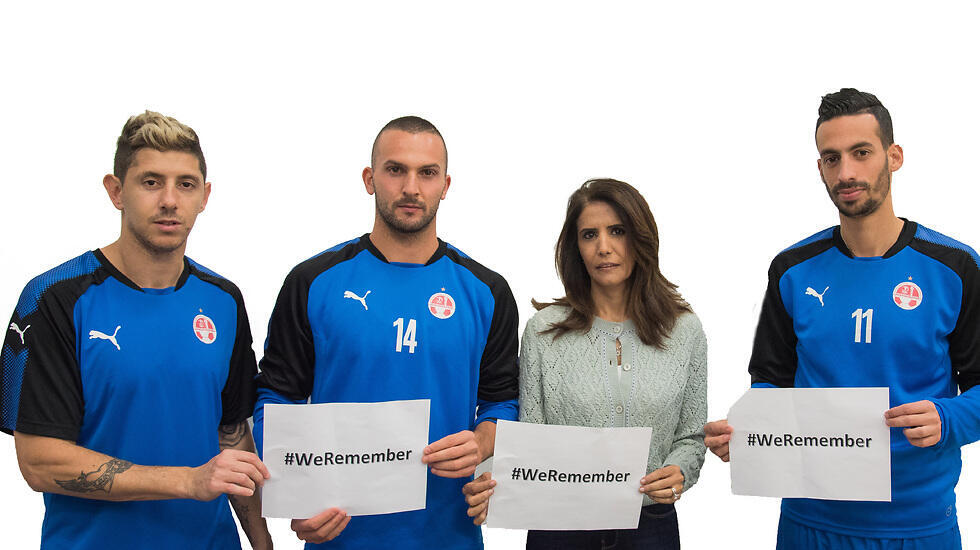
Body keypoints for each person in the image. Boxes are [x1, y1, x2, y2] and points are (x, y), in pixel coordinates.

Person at [704, 88, 980, 549]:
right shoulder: (792, 270)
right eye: (831, 158)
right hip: (809, 522)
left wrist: (947, 417)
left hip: (918, 527)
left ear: (894, 157)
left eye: (861, 153)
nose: (846, 172)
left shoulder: (955, 268)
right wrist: (750, 429)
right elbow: (771, 382)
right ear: (819, 169)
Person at [0, 111, 273, 549]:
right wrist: (187, 481)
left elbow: (232, 435)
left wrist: (262, 540)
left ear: (204, 196)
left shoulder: (223, 299)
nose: (170, 200)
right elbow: (39, 463)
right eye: (151, 182)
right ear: (116, 191)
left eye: (185, 184)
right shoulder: (54, 298)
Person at [252, 115, 520, 549]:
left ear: (446, 185)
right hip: (339, 535)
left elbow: (503, 400)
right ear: (369, 178)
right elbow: (273, 402)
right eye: (396, 170)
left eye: (427, 173)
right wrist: (296, 493)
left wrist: (481, 441)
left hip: (449, 535)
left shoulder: (486, 291)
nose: (411, 187)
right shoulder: (313, 281)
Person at [463, 179, 707, 550]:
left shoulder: (684, 330)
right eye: (589, 235)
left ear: (640, 238)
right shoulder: (544, 331)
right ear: (575, 247)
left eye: (617, 231)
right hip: (560, 529)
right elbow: (529, 437)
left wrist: (680, 471)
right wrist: (491, 480)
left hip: (651, 527)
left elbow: (691, 436)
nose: (604, 247)